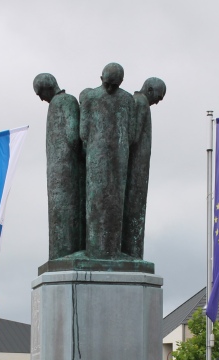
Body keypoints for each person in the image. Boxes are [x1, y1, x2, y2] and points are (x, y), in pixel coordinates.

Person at [80, 63, 134, 259]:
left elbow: (83, 131)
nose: (110, 88)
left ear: (121, 82)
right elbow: (132, 133)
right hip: (108, 155)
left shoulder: (91, 97)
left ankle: (108, 249)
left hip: (108, 154)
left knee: (110, 202)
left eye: (114, 85)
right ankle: (98, 249)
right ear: (100, 78)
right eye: (108, 84)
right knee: (99, 200)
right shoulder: (126, 99)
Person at [33, 73, 85, 260]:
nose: (40, 98)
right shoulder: (62, 102)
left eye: (40, 93)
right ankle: (60, 253)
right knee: (61, 213)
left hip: (65, 168)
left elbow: (72, 135)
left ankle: (65, 253)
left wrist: (68, 156)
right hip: (59, 169)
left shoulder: (65, 101)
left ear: (48, 87)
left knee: (67, 210)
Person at [122, 77, 166, 259]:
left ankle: (132, 251)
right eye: (159, 96)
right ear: (149, 89)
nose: (158, 101)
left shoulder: (138, 102)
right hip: (136, 167)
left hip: (139, 165)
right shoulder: (140, 103)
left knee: (135, 209)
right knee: (134, 208)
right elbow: (133, 135)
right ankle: (132, 252)